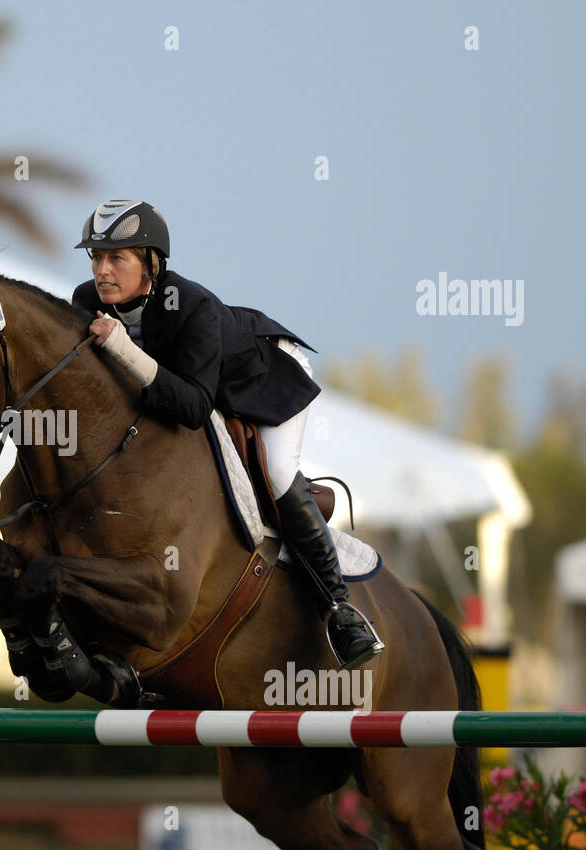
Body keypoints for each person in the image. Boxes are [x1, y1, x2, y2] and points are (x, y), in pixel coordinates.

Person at [71, 198, 382, 670]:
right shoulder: (85, 302)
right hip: (199, 386)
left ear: (151, 264)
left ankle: (340, 610)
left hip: (261, 377)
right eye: (96, 257)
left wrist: (120, 348)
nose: (102, 270)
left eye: (117, 258)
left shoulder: (191, 305)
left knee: (277, 473)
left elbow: (194, 407)